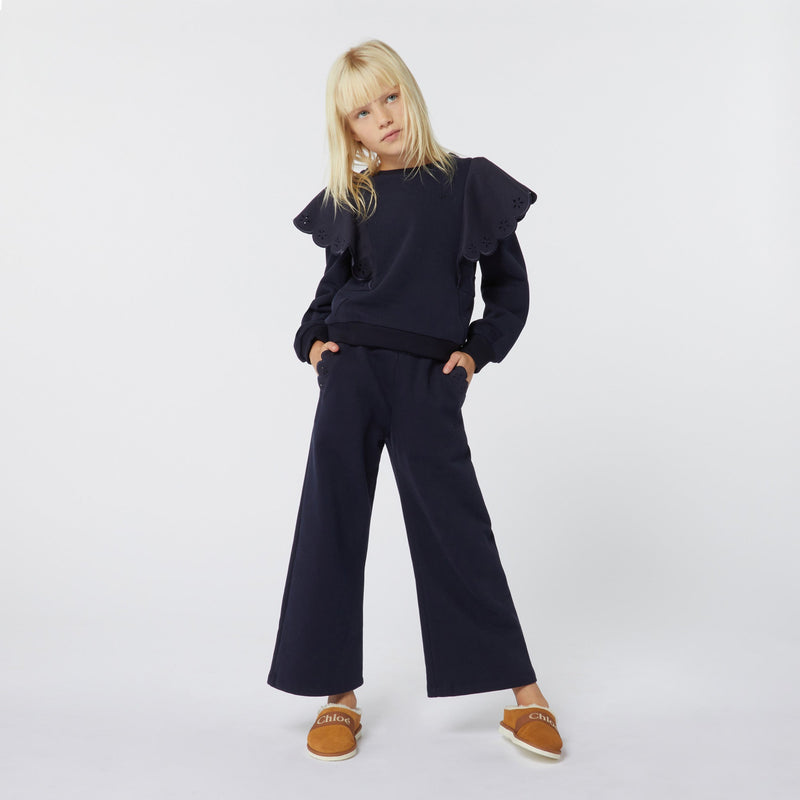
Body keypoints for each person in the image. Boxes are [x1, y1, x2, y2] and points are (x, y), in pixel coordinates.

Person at [267, 39, 563, 762]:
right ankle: (337, 696)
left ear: (410, 92)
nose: (384, 117)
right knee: (332, 523)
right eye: (363, 113)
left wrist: (476, 353)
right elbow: (331, 291)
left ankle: (524, 695)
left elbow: (510, 291)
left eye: (390, 97)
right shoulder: (355, 197)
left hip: (429, 379)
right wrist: (313, 344)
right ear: (349, 130)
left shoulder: (469, 184)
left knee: (458, 527)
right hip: (351, 371)